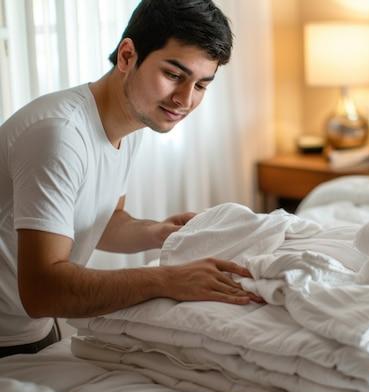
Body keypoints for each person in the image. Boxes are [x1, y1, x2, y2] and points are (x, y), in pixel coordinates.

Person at [0, 0, 261, 358]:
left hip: (34, 330)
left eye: (201, 85)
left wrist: (161, 232)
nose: (185, 99)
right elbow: (42, 290)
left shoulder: (132, 123)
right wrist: (165, 281)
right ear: (127, 56)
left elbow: (102, 222)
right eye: (173, 75)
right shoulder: (59, 134)